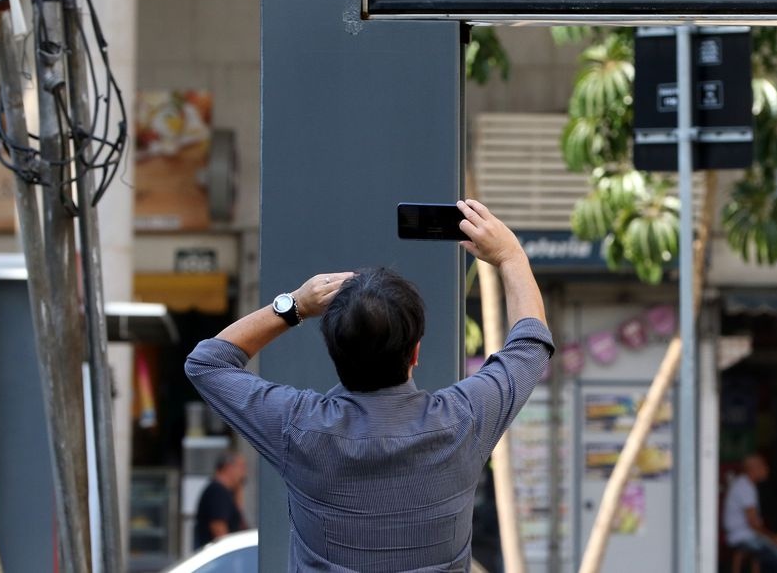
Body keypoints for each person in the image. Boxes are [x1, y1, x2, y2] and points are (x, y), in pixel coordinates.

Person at [185, 200, 552, 572]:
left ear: (335, 353)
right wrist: (510, 256)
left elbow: (208, 362)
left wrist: (294, 306)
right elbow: (531, 344)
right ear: (416, 352)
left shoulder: (299, 428)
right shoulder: (464, 421)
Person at [723, 454, 777, 573]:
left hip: (745, 535)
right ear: (753, 468)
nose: (767, 469)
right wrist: (772, 537)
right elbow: (753, 523)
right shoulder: (745, 487)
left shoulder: (745, 484)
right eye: (763, 466)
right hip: (742, 536)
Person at [192, 451, 248, 550]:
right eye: (242, 467)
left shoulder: (225, 492)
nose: (244, 473)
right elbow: (219, 529)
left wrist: (239, 489)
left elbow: (238, 519)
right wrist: (231, 553)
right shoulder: (218, 491)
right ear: (229, 467)